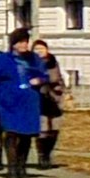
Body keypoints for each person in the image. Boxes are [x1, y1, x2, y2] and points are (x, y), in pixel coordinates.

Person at [0, 27, 48, 178]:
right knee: (11, 134)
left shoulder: (34, 58)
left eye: (26, 42)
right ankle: (11, 168)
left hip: (28, 103)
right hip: (8, 102)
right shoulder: (1, 60)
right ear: (13, 44)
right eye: (20, 42)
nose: (24, 45)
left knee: (26, 136)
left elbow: (44, 75)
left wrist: (40, 80)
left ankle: (21, 166)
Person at [29, 39, 67, 168]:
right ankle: (42, 156)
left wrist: (63, 92)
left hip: (54, 99)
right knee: (42, 129)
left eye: (42, 49)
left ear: (47, 50)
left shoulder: (53, 62)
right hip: (38, 99)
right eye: (36, 49)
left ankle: (48, 153)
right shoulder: (30, 64)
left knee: (54, 129)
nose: (39, 51)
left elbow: (59, 79)